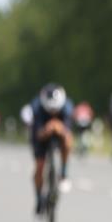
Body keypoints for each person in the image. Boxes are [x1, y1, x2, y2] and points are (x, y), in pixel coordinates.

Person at [29, 83, 74, 215]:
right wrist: (47, 128)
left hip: (59, 133)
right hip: (41, 135)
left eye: (56, 110)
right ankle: (39, 198)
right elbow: (38, 134)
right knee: (39, 166)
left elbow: (67, 132)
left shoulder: (67, 107)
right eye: (50, 110)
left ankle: (64, 172)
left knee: (68, 142)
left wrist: (58, 127)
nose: (53, 112)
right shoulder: (37, 107)